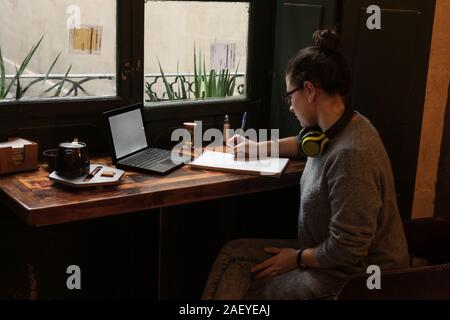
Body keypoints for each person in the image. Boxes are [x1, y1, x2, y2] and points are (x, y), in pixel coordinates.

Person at [201, 28, 410, 300]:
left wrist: (296, 258)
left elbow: (348, 248)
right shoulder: (340, 127)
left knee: (254, 287)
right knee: (233, 255)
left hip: (355, 278)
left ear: (309, 90)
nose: (289, 105)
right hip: (323, 256)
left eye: (290, 96)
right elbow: (304, 144)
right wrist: (258, 148)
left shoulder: (352, 155)